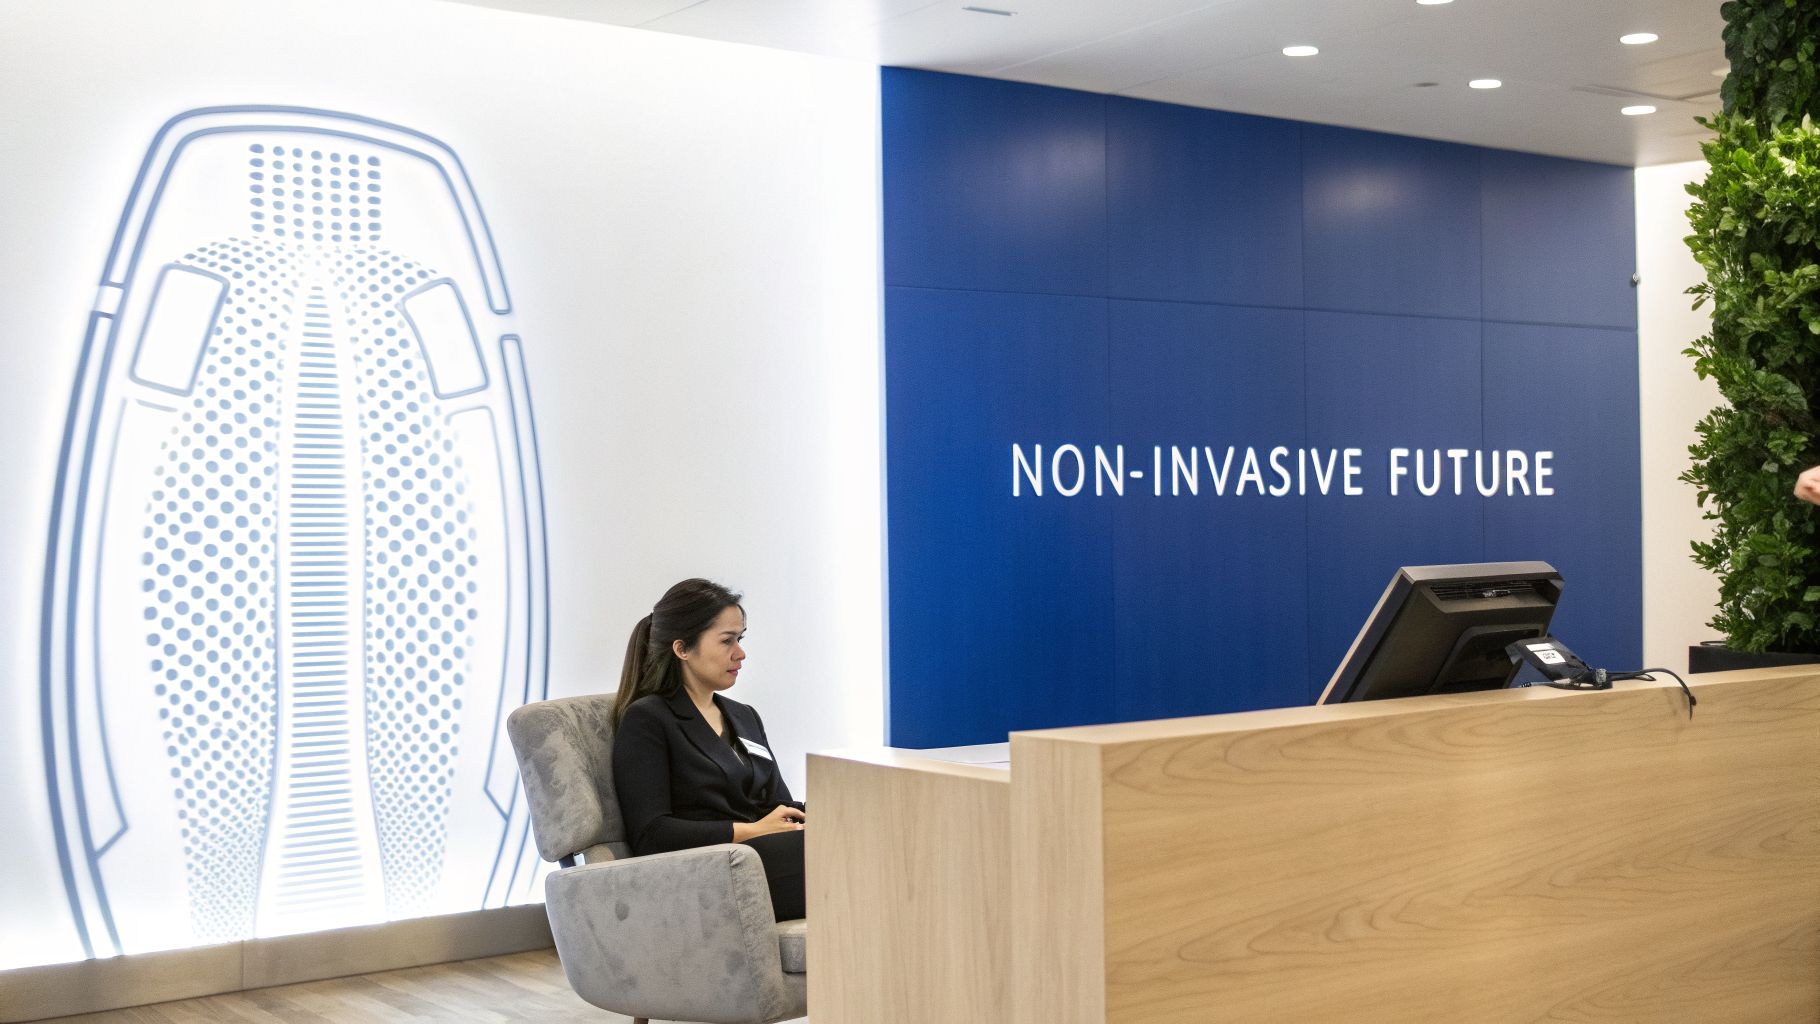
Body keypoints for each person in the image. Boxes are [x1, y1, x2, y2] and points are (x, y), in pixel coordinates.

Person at [610, 578, 807, 920]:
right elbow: (651, 834)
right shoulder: (649, 719)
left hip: (766, 858)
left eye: (740, 639)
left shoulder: (744, 717)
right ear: (682, 649)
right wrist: (751, 831)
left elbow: (779, 804)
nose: (740, 653)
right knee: (834, 857)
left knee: (857, 834)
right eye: (727, 641)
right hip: (709, 874)